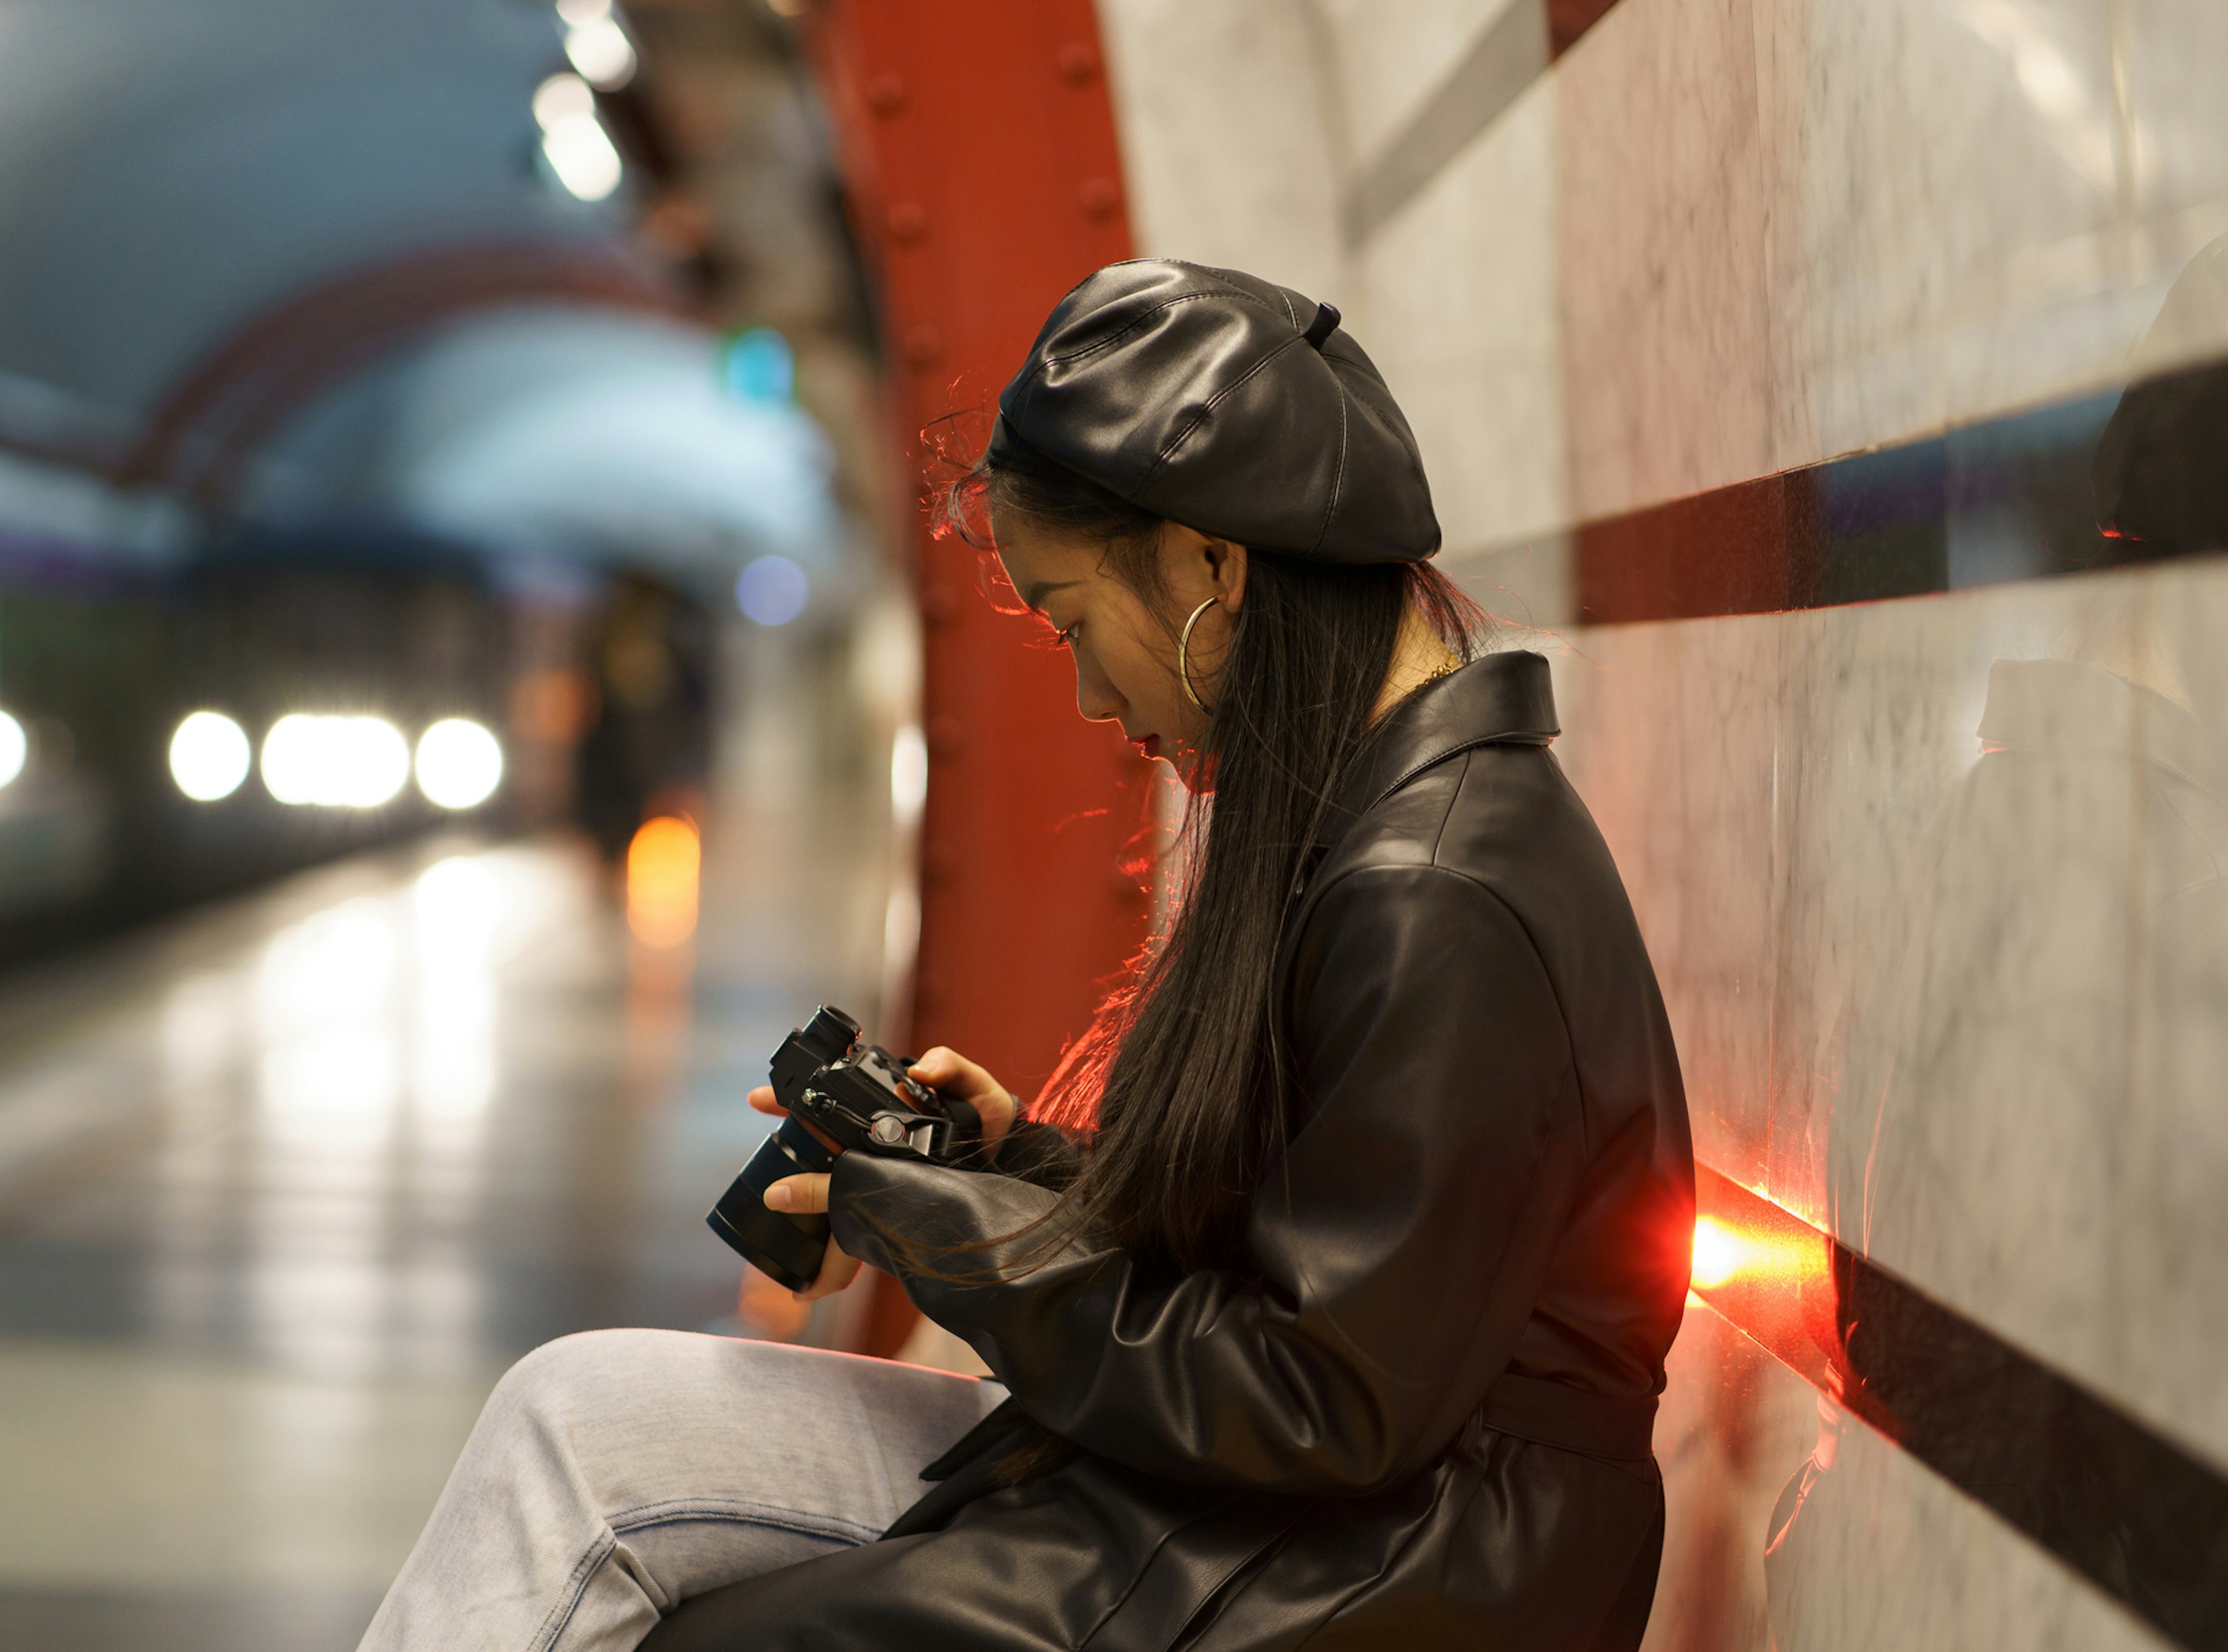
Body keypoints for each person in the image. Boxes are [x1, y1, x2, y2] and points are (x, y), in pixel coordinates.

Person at [358, 260, 1694, 1652]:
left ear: (1211, 566)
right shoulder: (1385, 822)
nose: (1091, 692)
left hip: (1385, 1566)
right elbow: (1320, 1256)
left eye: (1074, 621)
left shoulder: (1435, 891)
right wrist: (1009, 1171)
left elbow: (1326, 1396)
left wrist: (954, 1239)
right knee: (570, 1418)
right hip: (1302, 1516)